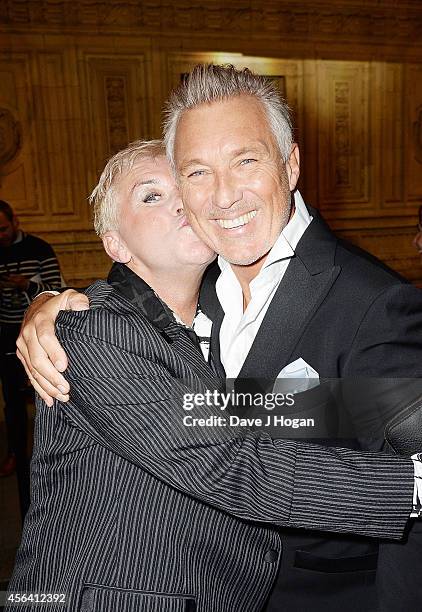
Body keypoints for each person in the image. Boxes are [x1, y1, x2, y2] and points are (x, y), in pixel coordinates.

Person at [16, 64, 422, 611]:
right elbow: (217, 453)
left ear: (290, 163)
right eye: (193, 175)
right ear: (112, 241)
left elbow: (243, 412)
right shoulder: (98, 328)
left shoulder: (361, 301)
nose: (207, 200)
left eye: (245, 161)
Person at [0, 200, 62, 520]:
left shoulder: (39, 248)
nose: (0, 235)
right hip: (4, 332)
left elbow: (55, 290)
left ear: (15, 220)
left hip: (34, 332)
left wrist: (27, 286)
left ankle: (42, 462)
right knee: (11, 403)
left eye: (3, 227)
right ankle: (16, 452)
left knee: (43, 400)